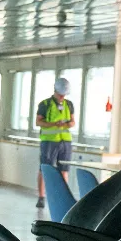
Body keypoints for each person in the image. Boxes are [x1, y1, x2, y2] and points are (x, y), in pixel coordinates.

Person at [36, 76, 75, 209]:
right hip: (49, 141)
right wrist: (53, 124)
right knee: (45, 168)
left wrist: (66, 125)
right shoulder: (45, 104)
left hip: (65, 141)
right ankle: (41, 197)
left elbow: (72, 121)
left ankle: (62, 196)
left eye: (63, 95)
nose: (61, 97)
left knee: (64, 170)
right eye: (60, 94)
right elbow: (38, 122)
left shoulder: (68, 104)